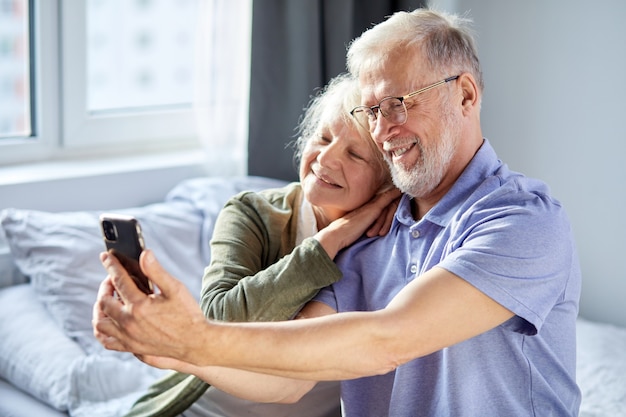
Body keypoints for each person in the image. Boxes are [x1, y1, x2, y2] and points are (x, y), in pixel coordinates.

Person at [94, 8, 582, 417]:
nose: (384, 130)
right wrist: (172, 349)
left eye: (398, 103)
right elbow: (286, 381)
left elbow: (386, 340)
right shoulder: (371, 235)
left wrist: (196, 337)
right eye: (372, 112)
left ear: (466, 94)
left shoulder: (522, 221)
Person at [102, 72, 398, 417]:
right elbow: (218, 319)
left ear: (386, 181)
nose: (326, 159)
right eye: (323, 137)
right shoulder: (252, 213)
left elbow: (296, 381)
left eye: (355, 155)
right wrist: (327, 243)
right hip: (202, 406)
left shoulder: (387, 240)